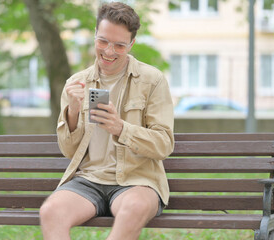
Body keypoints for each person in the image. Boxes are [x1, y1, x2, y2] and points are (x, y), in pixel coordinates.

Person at [39, 2, 174, 240]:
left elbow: (163, 144)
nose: (109, 51)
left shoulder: (152, 80)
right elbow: (68, 150)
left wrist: (121, 128)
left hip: (136, 181)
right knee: (51, 212)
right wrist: (72, 110)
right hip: (88, 181)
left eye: (119, 45)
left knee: (132, 210)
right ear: (94, 36)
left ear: (131, 44)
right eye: (103, 41)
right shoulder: (77, 83)